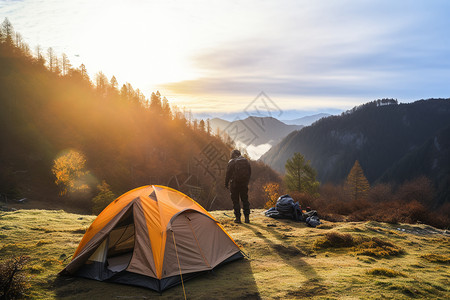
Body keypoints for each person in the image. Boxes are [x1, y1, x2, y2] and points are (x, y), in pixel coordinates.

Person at [225, 149, 251, 223]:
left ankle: (238, 218)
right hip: (244, 184)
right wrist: (246, 182)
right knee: (245, 200)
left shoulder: (231, 162)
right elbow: (249, 172)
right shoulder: (246, 161)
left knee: (236, 201)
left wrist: (226, 184)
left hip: (234, 185)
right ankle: (247, 218)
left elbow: (228, 174)